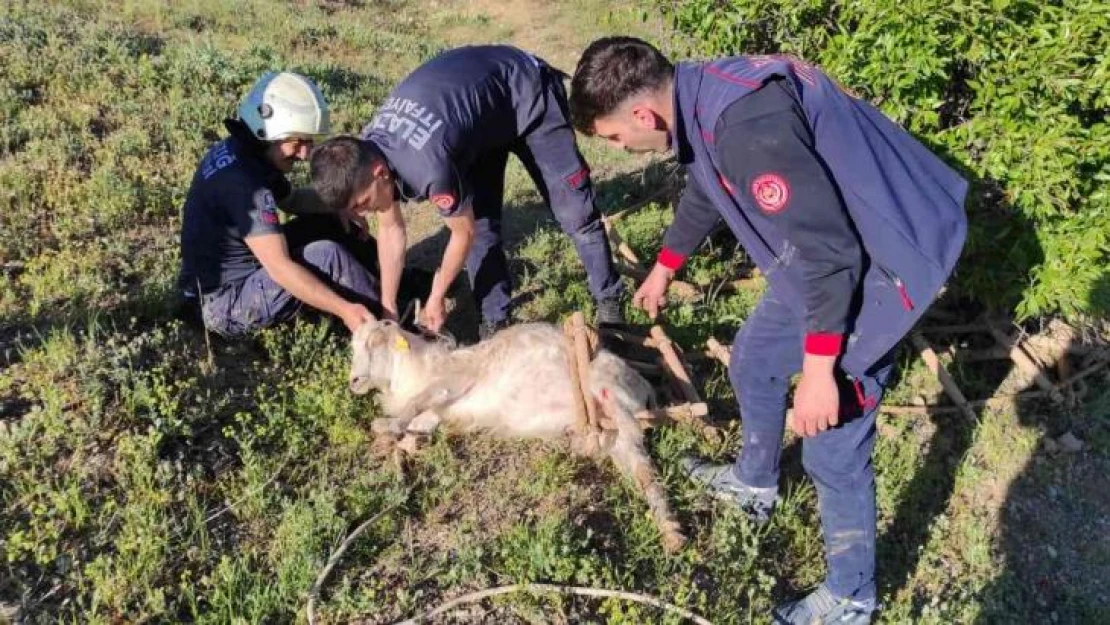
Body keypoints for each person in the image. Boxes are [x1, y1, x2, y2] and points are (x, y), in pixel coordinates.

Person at [569, 37, 968, 624]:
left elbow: (831, 254)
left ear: (640, 115)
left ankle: (852, 597)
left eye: (613, 138)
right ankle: (754, 484)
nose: (622, 149)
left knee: (831, 437)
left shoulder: (744, 127)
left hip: (885, 260)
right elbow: (707, 184)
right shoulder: (698, 96)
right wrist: (666, 264)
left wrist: (819, 372)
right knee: (754, 361)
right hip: (825, 255)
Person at [309, 45, 624, 339]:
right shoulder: (368, 151)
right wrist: (388, 309)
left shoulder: (427, 166)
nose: (363, 212)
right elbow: (391, 229)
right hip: (477, 124)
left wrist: (435, 296)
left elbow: (462, 234)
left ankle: (610, 305)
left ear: (380, 173)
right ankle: (496, 323)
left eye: (362, 203)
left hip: (527, 93)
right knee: (484, 228)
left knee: (575, 213)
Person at [177, 71, 397, 338]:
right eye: (298, 142)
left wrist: (339, 204)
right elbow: (280, 268)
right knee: (326, 256)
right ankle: (390, 329)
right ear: (271, 132)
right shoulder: (247, 186)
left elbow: (292, 201)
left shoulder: (245, 153)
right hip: (223, 306)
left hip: (224, 282)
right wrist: (343, 309)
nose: (305, 154)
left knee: (328, 219)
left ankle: (393, 284)